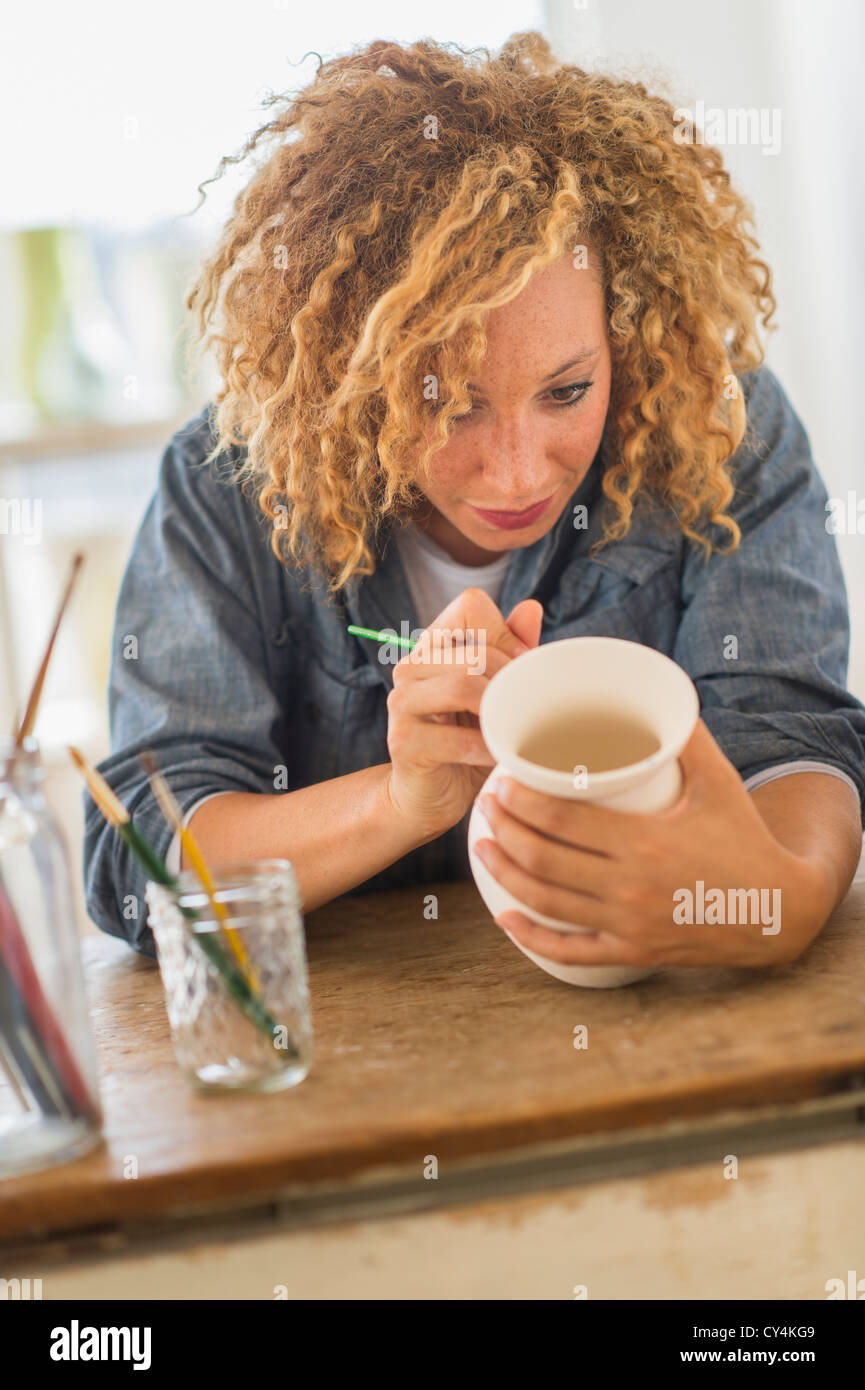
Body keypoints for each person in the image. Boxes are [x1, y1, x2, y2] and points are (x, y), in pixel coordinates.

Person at [84, 31, 865, 974]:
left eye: (566, 392)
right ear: (349, 374)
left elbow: (791, 742)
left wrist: (773, 902)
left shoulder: (713, 422)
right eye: (449, 405)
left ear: (624, 328)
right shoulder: (228, 485)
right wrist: (402, 799)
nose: (518, 475)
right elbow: (142, 859)